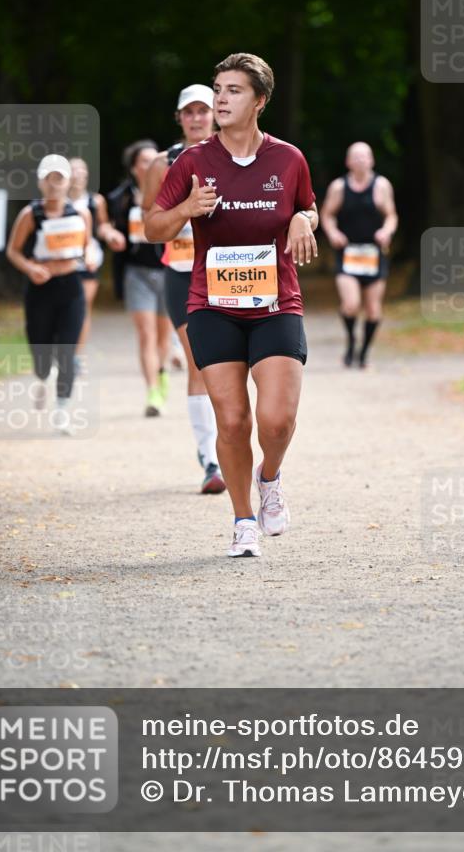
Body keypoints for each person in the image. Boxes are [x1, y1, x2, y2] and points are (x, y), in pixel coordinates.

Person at [146, 52, 318, 558]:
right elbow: (154, 228)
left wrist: (303, 220)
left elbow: (304, 204)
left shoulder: (289, 159)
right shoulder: (193, 162)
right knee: (234, 421)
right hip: (212, 305)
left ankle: (270, 478)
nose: (220, 99)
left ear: (260, 101)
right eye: (218, 89)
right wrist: (186, 209)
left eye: (233, 90)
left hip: (276, 303)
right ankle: (244, 520)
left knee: (277, 420)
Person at [142, 84, 226, 495]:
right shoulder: (163, 163)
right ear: (179, 118)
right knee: (198, 363)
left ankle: (231, 444)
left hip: (228, 272)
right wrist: (185, 212)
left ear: (215, 114)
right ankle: (210, 458)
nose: (196, 118)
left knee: (231, 364)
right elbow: (150, 223)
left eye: (203, 111)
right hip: (182, 272)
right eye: (188, 112)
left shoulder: (233, 154)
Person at [6, 154, 96, 434]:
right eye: (50, 178)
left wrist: (90, 256)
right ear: (41, 182)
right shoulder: (30, 215)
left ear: (69, 181)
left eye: (60, 177)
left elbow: (88, 246)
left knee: (68, 353)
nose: (55, 184)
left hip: (71, 287)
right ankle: (43, 377)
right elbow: (13, 251)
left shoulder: (81, 214)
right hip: (39, 290)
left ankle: (62, 410)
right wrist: (30, 268)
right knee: (41, 352)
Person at [107, 140, 174, 417]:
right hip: (137, 273)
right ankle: (152, 392)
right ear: (134, 168)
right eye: (144, 161)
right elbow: (109, 225)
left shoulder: (171, 191)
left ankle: (163, 371)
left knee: (163, 335)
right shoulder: (120, 198)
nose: (151, 165)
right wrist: (112, 235)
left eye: (154, 160)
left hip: (168, 270)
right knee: (145, 334)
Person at [320, 141, 398, 368]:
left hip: (374, 254)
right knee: (351, 304)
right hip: (348, 254)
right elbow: (327, 214)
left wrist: (387, 230)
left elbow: (392, 215)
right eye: (356, 157)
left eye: (365, 156)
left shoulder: (381, 186)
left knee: (373, 310)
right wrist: (333, 233)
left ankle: (363, 352)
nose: (361, 160)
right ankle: (352, 340)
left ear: (372, 160)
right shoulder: (339, 187)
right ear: (348, 162)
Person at [69, 157, 126, 366]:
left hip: (88, 261)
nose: (78, 174)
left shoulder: (95, 201)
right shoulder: (54, 202)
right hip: (59, 262)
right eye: (73, 170)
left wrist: (111, 235)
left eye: (82, 170)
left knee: (82, 307)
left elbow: (102, 226)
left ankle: (76, 356)